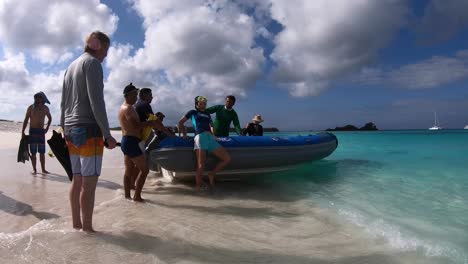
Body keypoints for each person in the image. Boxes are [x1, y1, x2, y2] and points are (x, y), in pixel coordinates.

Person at [60, 31, 117, 232]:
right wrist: (107, 134)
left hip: (70, 128)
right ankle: (88, 230)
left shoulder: (70, 67)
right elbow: (96, 101)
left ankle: (77, 225)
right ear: (98, 45)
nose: (106, 55)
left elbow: (63, 102)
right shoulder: (92, 64)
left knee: (77, 180)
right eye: (106, 49)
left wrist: (63, 128)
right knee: (89, 185)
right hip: (89, 130)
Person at [178, 96, 231, 191]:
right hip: (200, 137)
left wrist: (214, 135)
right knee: (201, 164)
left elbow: (211, 125)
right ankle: (198, 188)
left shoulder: (207, 114)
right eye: (201, 103)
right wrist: (184, 134)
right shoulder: (192, 112)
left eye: (205, 103)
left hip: (210, 138)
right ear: (196, 104)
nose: (203, 105)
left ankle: (212, 174)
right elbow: (180, 122)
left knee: (227, 158)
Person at [119, 83, 159, 202]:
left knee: (128, 170)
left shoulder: (123, 107)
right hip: (131, 141)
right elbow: (135, 125)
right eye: (135, 95)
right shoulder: (128, 108)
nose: (136, 97)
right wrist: (149, 123)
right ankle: (137, 197)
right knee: (145, 169)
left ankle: (127, 197)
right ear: (129, 95)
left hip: (126, 140)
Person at [21, 92, 52, 174]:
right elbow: (26, 120)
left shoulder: (46, 108)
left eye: (40, 97)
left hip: (41, 132)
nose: (38, 99)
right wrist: (22, 132)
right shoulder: (31, 107)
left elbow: (50, 118)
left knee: (42, 152)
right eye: (36, 97)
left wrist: (47, 128)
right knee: (33, 152)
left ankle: (43, 169)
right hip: (33, 132)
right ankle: (34, 169)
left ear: (43, 98)